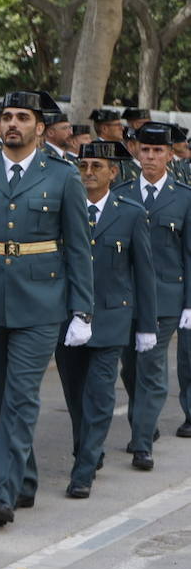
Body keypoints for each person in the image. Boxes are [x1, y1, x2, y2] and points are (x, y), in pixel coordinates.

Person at [0, 90, 94, 527]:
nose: (12, 123)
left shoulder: (62, 176)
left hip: (43, 301)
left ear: (40, 128)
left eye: (22, 117)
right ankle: (24, 478)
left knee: (20, 399)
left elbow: (78, 248)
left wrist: (82, 309)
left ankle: (2, 493)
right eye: (6, 117)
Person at [55, 141, 156, 499]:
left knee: (99, 395)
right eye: (84, 167)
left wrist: (146, 325)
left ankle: (82, 470)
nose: (89, 173)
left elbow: (143, 273)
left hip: (112, 318)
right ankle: (88, 447)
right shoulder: (63, 209)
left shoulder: (130, 213)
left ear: (113, 172)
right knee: (74, 394)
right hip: (67, 317)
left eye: (97, 167)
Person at [117, 122, 191, 471]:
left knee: (151, 368)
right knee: (129, 369)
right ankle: (143, 421)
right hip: (125, 298)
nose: (150, 157)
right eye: (145, 150)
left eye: (158, 151)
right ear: (136, 151)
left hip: (165, 298)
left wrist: (190, 303)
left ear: (170, 155)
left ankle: (142, 441)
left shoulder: (185, 196)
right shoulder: (121, 192)